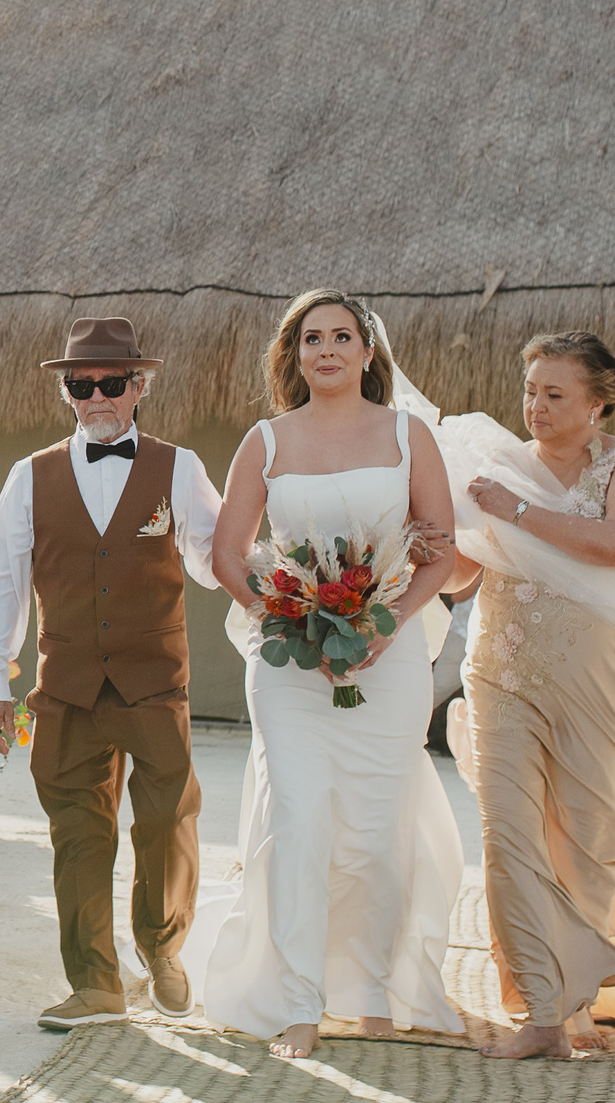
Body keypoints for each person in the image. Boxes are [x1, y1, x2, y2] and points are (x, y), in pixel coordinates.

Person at [437, 333, 615, 1056]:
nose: (535, 406)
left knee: (589, 841)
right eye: (531, 390)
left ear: (597, 402)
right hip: (502, 673)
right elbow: (460, 578)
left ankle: (577, 1000)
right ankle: (541, 1011)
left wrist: (516, 511)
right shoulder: (499, 466)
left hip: (602, 683)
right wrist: (438, 545)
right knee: (507, 839)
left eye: (554, 394)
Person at [200, 291, 462, 1057]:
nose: (327, 349)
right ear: (295, 353)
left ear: (368, 352)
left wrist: (387, 621)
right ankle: (299, 1002)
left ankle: (375, 991)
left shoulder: (410, 436)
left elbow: (440, 550)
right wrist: (278, 612)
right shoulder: (266, 441)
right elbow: (226, 553)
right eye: (311, 337)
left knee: (377, 830)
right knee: (303, 820)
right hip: (290, 664)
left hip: (391, 654)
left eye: (342, 336)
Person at [0, 317, 222, 1030]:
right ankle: (95, 983)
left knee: (169, 819)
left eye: (111, 383)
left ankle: (162, 945)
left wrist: (274, 580)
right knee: (79, 834)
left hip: (153, 679)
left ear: (139, 385)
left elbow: (212, 560)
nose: (96, 397)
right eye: (81, 385)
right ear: (67, 392)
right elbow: (2, 582)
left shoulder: (179, 466)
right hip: (69, 684)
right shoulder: (30, 474)